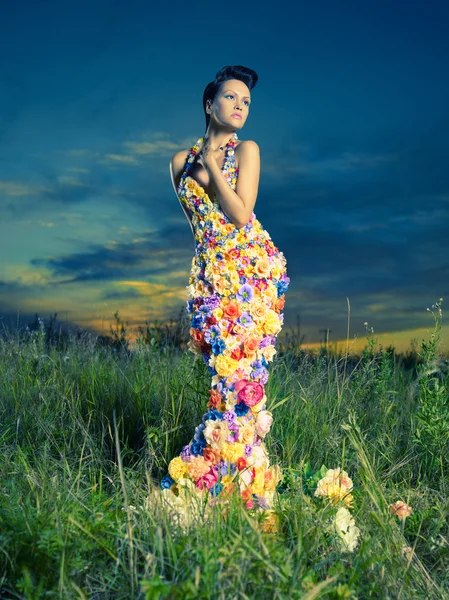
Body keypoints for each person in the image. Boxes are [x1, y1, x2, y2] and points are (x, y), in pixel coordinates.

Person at [153, 65, 290, 529]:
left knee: (244, 380)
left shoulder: (246, 150)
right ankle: (217, 482)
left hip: (251, 274)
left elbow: (239, 213)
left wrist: (212, 164)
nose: (240, 106)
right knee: (222, 379)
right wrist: (203, 284)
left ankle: (236, 487)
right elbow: (200, 229)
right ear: (209, 104)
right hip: (213, 278)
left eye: (247, 101)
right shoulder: (177, 163)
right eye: (231, 97)